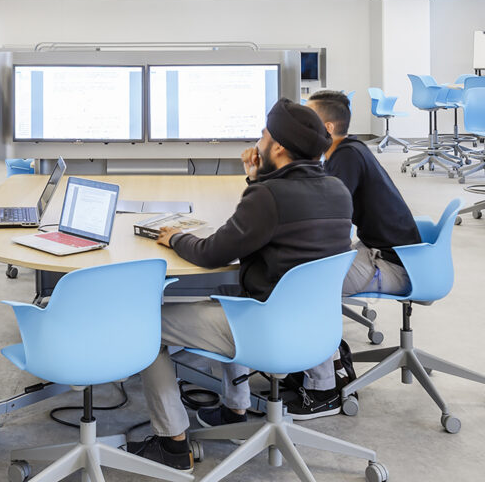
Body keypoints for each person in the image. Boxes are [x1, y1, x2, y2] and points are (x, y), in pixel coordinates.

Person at [126, 99, 352, 470]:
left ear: (277, 147)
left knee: (146, 323)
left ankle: (171, 443)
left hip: (265, 329)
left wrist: (174, 238)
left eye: (264, 133)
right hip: (317, 331)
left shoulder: (268, 196)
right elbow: (282, 222)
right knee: (230, 293)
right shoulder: (337, 190)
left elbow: (213, 252)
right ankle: (234, 408)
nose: (259, 139)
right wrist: (256, 178)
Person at [285, 90, 423, 419]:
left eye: (308, 120)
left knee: (305, 282)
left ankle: (324, 388)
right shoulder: (348, 150)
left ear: (328, 128)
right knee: (306, 269)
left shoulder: (346, 156)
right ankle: (324, 360)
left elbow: (326, 214)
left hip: (393, 264)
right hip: (389, 253)